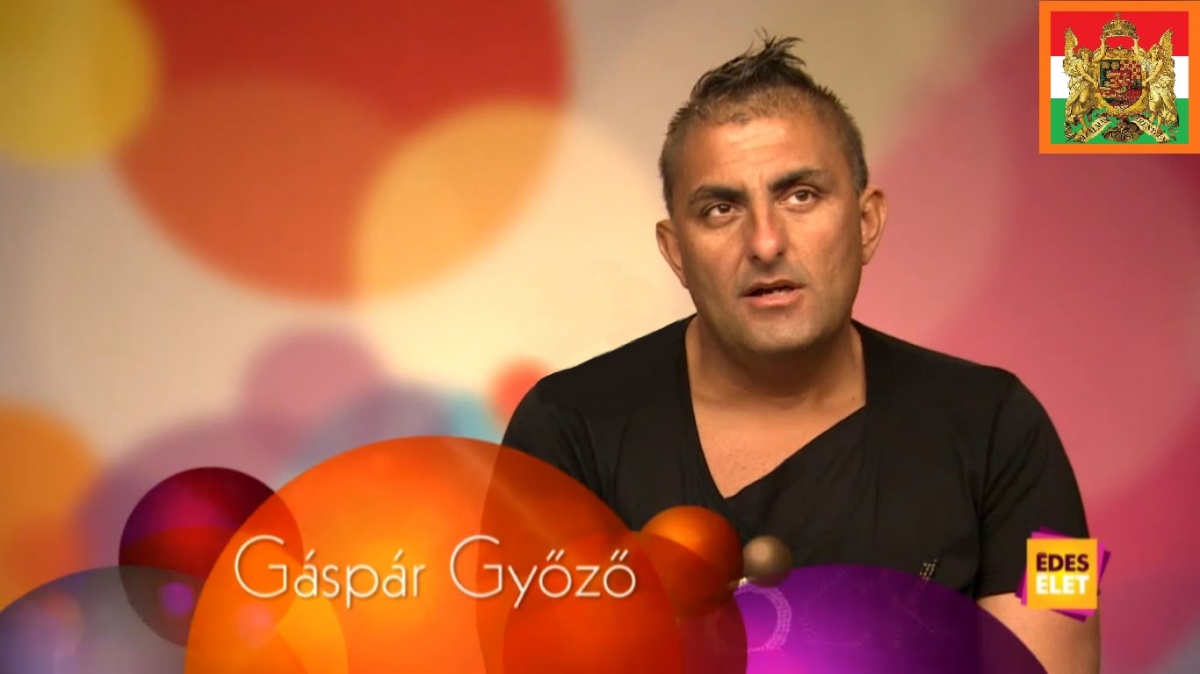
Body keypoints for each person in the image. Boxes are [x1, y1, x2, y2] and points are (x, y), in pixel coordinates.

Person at [502, 35, 1097, 672]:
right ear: (676, 252)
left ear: (866, 223)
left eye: (801, 196)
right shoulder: (565, 431)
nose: (765, 242)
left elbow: (1056, 649)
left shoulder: (999, 427)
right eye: (721, 209)